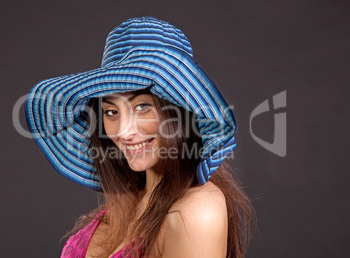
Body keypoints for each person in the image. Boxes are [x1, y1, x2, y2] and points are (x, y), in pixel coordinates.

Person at [25, 16, 255, 258]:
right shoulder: (125, 203)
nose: (124, 131)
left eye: (143, 107)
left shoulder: (197, 210)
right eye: (111, 112)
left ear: (182, 113)